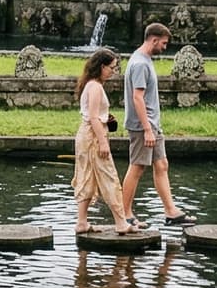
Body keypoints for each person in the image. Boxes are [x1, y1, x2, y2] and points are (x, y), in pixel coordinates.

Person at [121, 22, 192, 228]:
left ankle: (171, 212)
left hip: (152, 125)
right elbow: (137, 98)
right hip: (143, 126)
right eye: (163, 43)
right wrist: (147, 129)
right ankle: (125, 214)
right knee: (137, 167)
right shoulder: (140, 64)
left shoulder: (144, 59)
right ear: (153, 40)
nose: (164, 47)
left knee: (162, 165)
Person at [73, 47, 134, 235]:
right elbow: (93, 117)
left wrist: (106, 118)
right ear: (101, 66)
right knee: (109, 176)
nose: (113, 72)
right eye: (112, 68)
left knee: (87, 176)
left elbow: (94, 115)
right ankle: (121, 222)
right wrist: (103, 142)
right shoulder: (96, 87)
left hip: (86, 135)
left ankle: (82, 222)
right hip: (92, 136)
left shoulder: (90, 85)